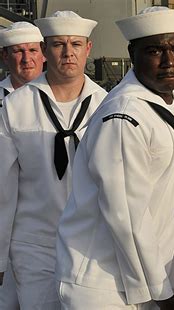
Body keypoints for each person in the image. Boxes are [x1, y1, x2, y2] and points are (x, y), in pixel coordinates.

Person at [55, 6, 174, 309]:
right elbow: (127, 216)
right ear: (133, 54)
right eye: (155, 50)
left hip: (148, 278)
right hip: (105, 285)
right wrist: (164, 297)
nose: (169, 61)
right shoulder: (124, 115)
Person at [0, 11, 107, 309]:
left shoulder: (107, 105)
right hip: (35, 244)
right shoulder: (15, 107)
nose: (68, 53)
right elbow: (2, 189)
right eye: (59, 44)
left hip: (94, 243)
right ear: (46, 51)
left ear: (88, 49)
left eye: (76, 44)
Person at [0, 21, 45, 310]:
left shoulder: (63, 101)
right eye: (17, 51)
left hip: (41, 233)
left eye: (32, 50)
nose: (26, 59)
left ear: (43, 54)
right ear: (4, 57)